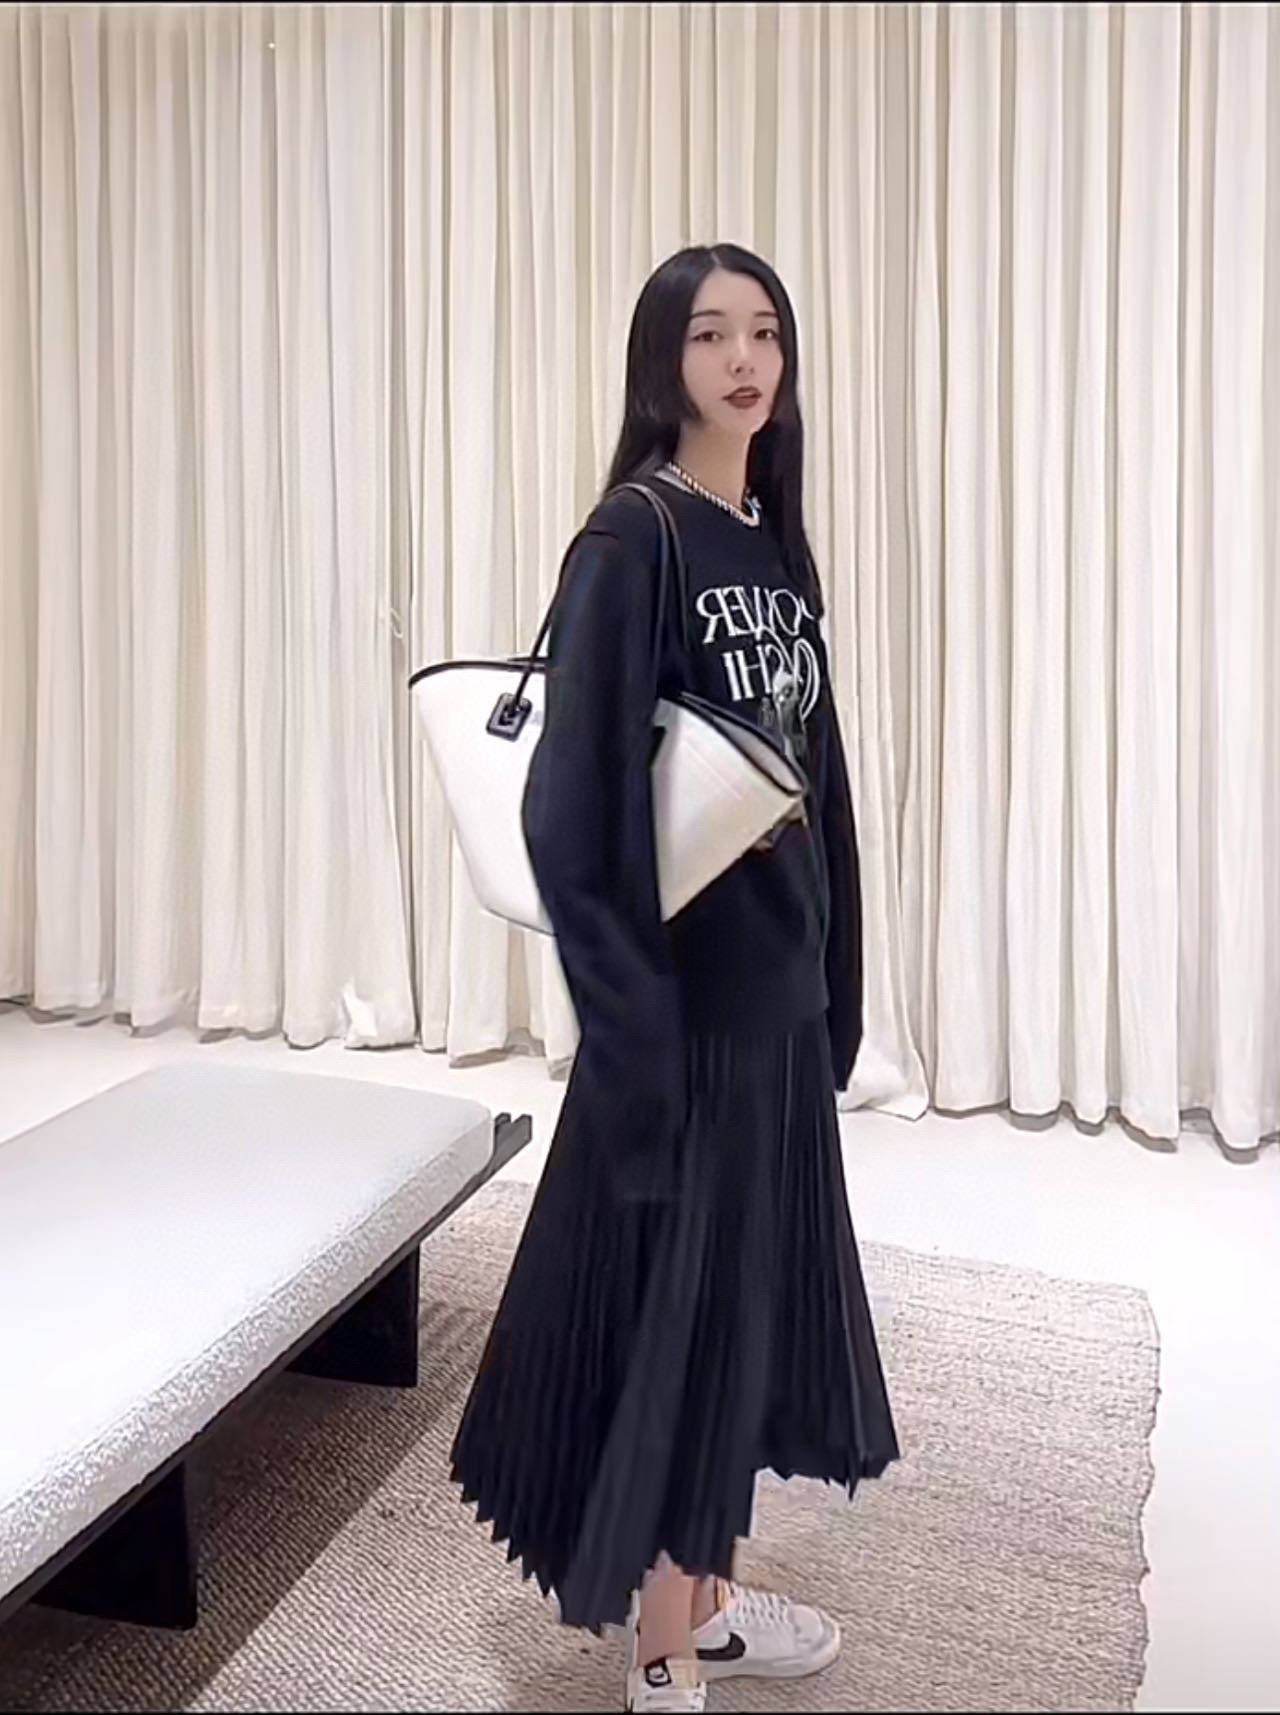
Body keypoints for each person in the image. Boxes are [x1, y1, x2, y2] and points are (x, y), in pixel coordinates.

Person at [450, 243, 900, 1713]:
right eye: (710, 335)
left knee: (740, 1320)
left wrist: (837, 978)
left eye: (764, 331)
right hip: (683, 1021)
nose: (743, 359)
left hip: (774, 1006)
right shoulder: (631, 540)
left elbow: (815, 779)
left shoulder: (772, 539)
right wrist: (634, 1036)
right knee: (675, 1326)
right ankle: (661, 1650)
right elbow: (570, 818)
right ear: (665, 362)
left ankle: (703, 1599)